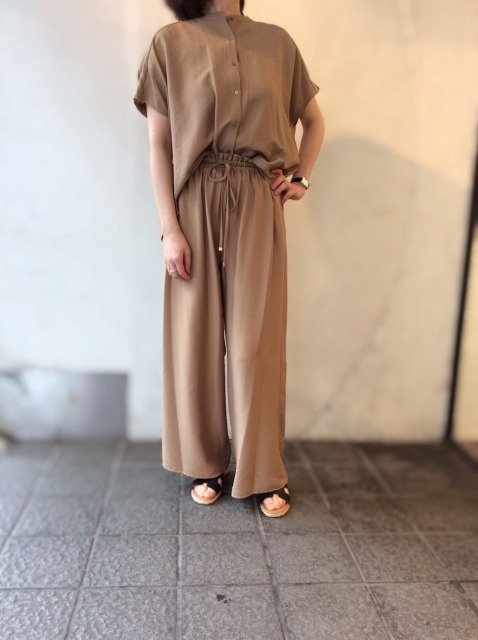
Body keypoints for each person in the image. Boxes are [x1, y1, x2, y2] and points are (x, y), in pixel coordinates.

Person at [133, 0, 324, 517]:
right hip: (193, 200)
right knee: (194, 337)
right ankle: (205, 462)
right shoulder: (169, 44)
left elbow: (313, 121)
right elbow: (159, 145)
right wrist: (170, 229)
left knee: (254, 343)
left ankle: (262, 470)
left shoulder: (278, 43)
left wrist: (301, 178)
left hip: (259, 199)